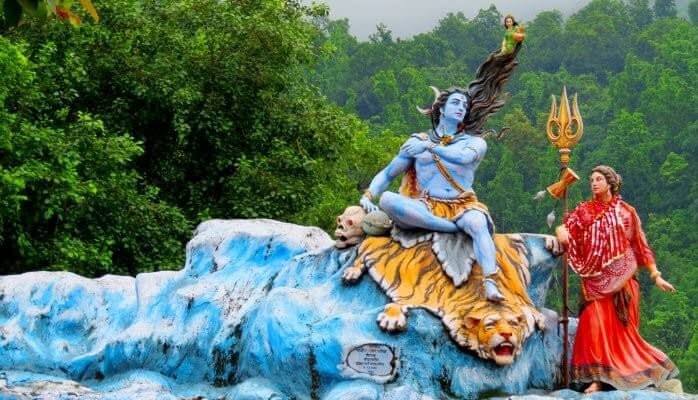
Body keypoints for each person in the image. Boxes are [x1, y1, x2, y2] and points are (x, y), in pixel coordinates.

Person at [360, 87, 504, 302]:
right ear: (441, 109)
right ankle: (448, 228)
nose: (461, 108)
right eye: (455, 103)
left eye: (464, 106)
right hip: (426, 205)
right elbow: (389, 173)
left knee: (477, 223)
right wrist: (368, 195)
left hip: (462, 205)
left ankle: (490, 281)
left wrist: (430, 147)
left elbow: (462, 158)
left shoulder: (474, 143)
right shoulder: (417, 141)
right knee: (388, 200)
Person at [555, 165, 678, 393]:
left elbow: (641, 247)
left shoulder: (626, 212)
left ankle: (607, 380)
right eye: (591, 179)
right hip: (595, 281)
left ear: (610, 183)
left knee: (621, 335)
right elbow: (569, 231)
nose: (594, 183)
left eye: (599, 179)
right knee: (591, 324)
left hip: (623, 282)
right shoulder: (584, 211)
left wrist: (655, 275)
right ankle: (596, 377)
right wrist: (561, 231)